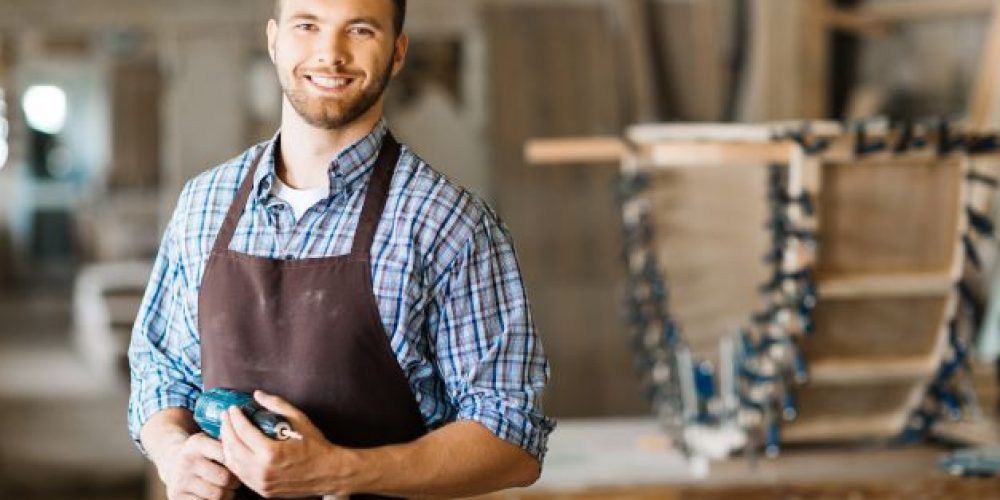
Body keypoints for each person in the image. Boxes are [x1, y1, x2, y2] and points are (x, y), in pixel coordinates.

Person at [127, 0, 554, 498]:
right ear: (274, 40)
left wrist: (338, 470)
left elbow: (512, 437)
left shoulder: (449, 224)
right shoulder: (204, 205)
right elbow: (161, 369)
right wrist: (173, 452)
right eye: (307, 26)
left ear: (397, 52)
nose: (330, 54)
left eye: (359, 30)